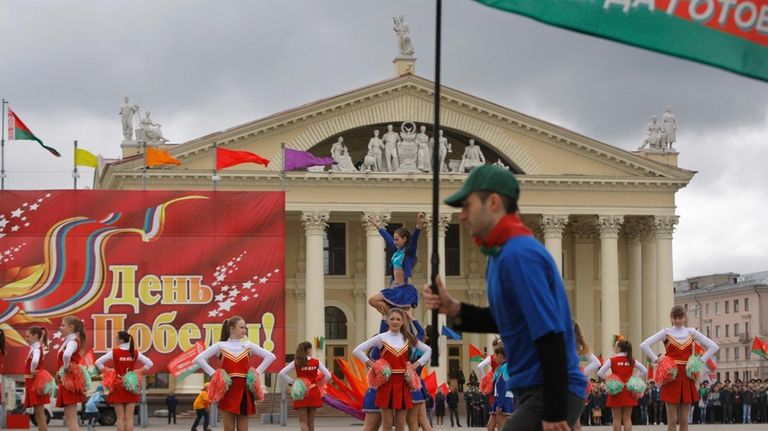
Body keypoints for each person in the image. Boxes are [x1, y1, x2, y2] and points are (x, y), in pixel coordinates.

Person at [423, 164, 588, 431]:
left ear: (494, 202)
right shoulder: (500, 256)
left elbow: (551, 334)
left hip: (549, 389)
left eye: (467, 205)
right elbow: (506, 319)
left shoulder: (519, 254)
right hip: (533, 388)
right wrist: (454, 309)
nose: (462, 216)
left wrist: (555, 411)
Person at [640, 305, 718, 431]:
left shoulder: (691, 332)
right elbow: (644, 345)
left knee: (684, 421)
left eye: (680, 317)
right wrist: (657, 359)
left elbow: (714, 346)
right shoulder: (666, 332)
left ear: (685, 318)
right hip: (671, 376)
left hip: (687, 375)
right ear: (671, 318)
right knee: (672, 420)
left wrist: (699, 361)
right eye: (675, 318)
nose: (677, 320)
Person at [353, 308, 432, 431]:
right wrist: (373, 365)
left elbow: (428, 350)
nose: (395, 321)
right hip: (386, 384)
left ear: (402, 322)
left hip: (403, 384)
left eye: (398, 319)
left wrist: (415, 365)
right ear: (388, 321)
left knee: (401, 424)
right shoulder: (381, 338)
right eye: (392, 319)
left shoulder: (408, 338)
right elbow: (357, 350)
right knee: (387, 424)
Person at [194, 315, 277, 431]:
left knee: (243, 429)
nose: (244, 330)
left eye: (245, 327)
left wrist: (256, 373)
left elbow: (271, 356)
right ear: (232, 328)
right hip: (227, 390)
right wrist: (215, 374)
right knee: (228, 429)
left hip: (244, 391)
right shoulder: (220, 346)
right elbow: (198, 359)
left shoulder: (248, 345)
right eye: (241, 327)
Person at [367, 212, 425, 315]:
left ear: (405, 239)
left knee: (405, 317)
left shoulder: (409, 252)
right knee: (372, 300)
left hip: (405, 289)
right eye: (394, 239)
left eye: (397, 239)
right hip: (395, 288)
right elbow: (387, 238)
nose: (394, 242)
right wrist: (376, 225)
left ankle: (395, 317)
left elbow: (414, 239)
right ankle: (392, 316)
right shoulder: (396, 251)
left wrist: (419, 225)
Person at [95, 331, 154, 431]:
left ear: (121, 340)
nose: (115, 339)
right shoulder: (134, 352)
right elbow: (150, 363)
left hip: (118, 386)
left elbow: (98, 362)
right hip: (131, 386)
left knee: (120, 418)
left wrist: (106, 370)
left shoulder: (114, 352)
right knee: (129, 418)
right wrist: (139, 371)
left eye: (116, 338)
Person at [278, 341, 332, 431]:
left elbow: (282, 373)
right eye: (311, 349)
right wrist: (321, 382)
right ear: (308, 350)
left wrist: (293, 382)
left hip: (301, 392)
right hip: (314, 391)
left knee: (303, 422)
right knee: (311, 422)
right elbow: (328, 375)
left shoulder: (296, 362)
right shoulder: (316, 362)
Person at [597, 339, 647, 431]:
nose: (614, 348)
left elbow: (600, 372)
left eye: (615, 346)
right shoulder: (631, 359)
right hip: (629, 390)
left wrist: (610, 379)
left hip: (615, 390)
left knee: (617, 419)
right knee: (627, 418)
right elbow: (644, 370)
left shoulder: (612, 360)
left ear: (619, 348)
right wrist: (633, 378)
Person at [57, 316, 87, 431]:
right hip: (67, 381)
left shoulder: (72, 342)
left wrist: (65, 367)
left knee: (71, 419)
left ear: (71, 327)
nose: (60, 328)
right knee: (70, 419)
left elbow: (66, 355)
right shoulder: (69, 341)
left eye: (63, 325)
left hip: (69, 382)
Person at [25, 326, 50, 431]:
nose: (26, 338)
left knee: (40, 415)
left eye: (28, 336)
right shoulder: (36, 347)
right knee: (39, 415)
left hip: (35, 382)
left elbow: (35, 360)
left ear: (35, 336)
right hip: (33, 382)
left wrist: (32, 370)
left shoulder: (36, 348)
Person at [487, 344, 514, 431]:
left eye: (495, 355)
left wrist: (499, 404)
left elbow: (503, 387)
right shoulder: (500, 368)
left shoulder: (506, 367)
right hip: (498, 398)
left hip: (505, 399)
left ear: (500, 355)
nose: (494, 357)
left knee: (501, 426)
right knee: (490, 426)